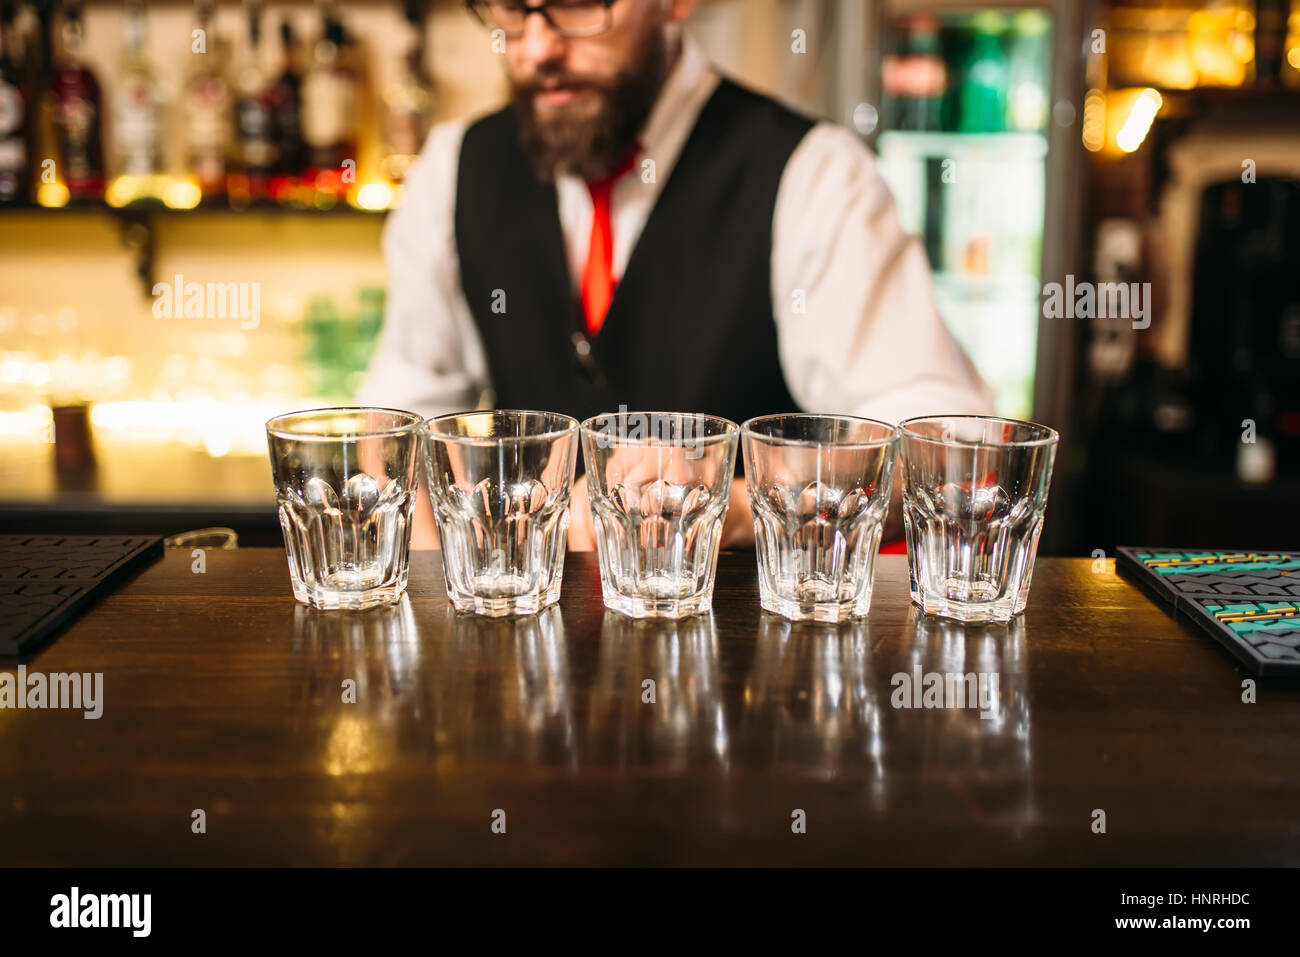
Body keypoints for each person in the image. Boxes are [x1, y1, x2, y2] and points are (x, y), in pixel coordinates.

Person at [358, 0, 993, 549]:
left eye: (579, 3)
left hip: (746, 669)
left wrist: (740, 505)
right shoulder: (453, 171)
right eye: (511, 8)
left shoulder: (812, 174)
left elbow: (943, 439)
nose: (538, 46)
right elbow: (398, 419)